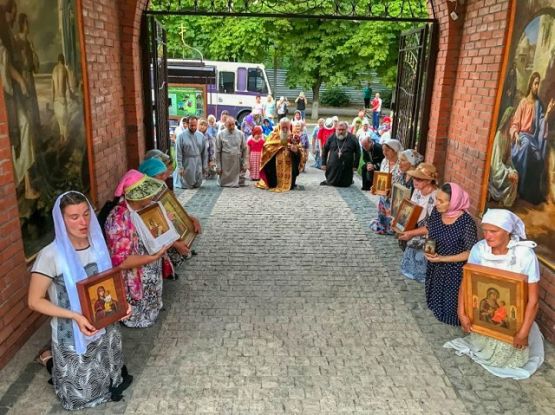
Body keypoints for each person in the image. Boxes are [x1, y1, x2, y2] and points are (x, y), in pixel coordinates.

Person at [28, 191, 133, 410]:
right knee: (80, 395)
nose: (83, 222)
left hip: (105, 324)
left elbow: (109, 283)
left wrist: (122, 305)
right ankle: (48, 360)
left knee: (109, 376)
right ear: (61, 220)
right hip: (73, 330)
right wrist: (75, 315)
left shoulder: (98, 245)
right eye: (74, 217)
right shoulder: (50, 255)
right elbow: (34, 301)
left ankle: (51, 360)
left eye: (86, 214)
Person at [445, 209, 544, 380]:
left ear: (507, 232)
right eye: (485, 230)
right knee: (482, 345)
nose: (487, 236)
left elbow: (533, 300)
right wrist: (462, 313)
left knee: (510, 360)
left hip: (513, 322)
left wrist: (523, 333)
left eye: (493, 231)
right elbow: (466, 284)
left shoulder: (524, 255)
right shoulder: (479, 250)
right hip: (484, 320)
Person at [105, 170, 186, 328]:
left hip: (150, 268)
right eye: (148, 194)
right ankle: (136, 318)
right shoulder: (118, 218)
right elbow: (121, 261)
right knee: (138, 305)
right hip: (135, 273)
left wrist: (165, 223)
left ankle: (153, 310)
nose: (152, 197)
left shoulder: (147, 207)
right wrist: (153, 258)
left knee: (152, 292)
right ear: (137, 196)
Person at [425, 183, 478, 326]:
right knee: (436, 297)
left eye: (441, 201)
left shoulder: (466, 223)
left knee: (450, 301)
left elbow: (470, 253)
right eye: (437, 199)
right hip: (436, 265)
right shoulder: (437, 213)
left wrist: (443, 258)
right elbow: (431, 231)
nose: (437, 203)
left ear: (454, 202)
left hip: (454, 271)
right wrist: (429, 251)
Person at [509, 72, 554, 204]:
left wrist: (548, 113)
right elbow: (515, 122)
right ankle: (521, 190)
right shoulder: (523, 102)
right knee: (526, 147)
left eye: (538, 83)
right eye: (535, 83)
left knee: (539, 158)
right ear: (531, 84)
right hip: (522, 136)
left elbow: (541, 124)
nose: (537, 86)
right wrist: (516, 134)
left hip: (533, 139)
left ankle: (530, 193)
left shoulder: (539, 104)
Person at [398, 163, 439, 282]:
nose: (415, 181)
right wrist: (398, 221)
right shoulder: (417, 190)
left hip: (431, 236)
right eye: (414, 177)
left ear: (428, 181)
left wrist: (411, 233)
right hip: (417, 231)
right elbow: (410, 210)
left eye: (419, 179)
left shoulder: (435, 196)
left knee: (425, 273)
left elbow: (432, 227)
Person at [256, 117, 304, 192]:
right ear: (279, 125)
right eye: (283, 127)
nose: (285, 129)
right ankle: (274, 183)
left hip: (290, 163)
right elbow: (266, 147)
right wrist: (277, 148)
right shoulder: (273, 134)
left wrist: (295, 150)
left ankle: (290, 183)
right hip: (275, 164)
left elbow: (301, 151)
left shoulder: (294, 134)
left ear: (289, 126)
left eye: (286, 127)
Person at [369, 139, 404, 235]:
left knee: (392, 219)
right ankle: (383, 225)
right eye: (383, 150)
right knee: (382, 218)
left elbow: (403, 182)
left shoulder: (401, 163)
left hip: (396, 196)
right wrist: (375, 187)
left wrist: (392, 190)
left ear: (395, 150)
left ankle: (393, 227)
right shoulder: (384, 161)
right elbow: (380, 176)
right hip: (384, 194)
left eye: (387, 150)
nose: (384, 152)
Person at [489, 107, 518, 207]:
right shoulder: (499, 135)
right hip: (497, 170)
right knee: (511, 180)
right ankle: (502, 201)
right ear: (507, 119)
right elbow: (496, 161)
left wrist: (512, 170)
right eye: (512, 118)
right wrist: (507, 173)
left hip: (504, 167)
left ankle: (506, 202)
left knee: (515, 176)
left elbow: (509, 158)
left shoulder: (509, 136)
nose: (513, 120)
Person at [321, 121, 361, 187]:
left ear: (346, 129)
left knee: (345, 184)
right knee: (332, 182)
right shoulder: (331, 137)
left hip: (347, 167)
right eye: (339, 130)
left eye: (343, 130)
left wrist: (355, 166)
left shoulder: (353, 138)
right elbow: (325, 150)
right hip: (333, 167)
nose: (341, 132)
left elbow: (358, 152)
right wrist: (323, 163)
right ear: (336, 129)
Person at [174, 116, 208, 189]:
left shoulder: (201, 136)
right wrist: (180, 167)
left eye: (195, 125)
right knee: (186, 184)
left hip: (198, 162)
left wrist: (204, 166)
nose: (193, 127)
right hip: (187, 162)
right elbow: (178, 153)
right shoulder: (181, 136)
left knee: (197, 183)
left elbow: (204, 153)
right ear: (187, 124)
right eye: (191, 125)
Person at [216, 117, 248, 187]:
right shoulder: (220, 134)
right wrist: (218, 165)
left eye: (233, 124)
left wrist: (245, 162)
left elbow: (244, 149)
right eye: (229, 125)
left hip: (236, 160)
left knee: (238, 179)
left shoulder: (240, 134)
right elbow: (217, 151)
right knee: (223, 180)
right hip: (225, 160)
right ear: (225, 124)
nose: (231, 127)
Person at [52, 53, 73, 145]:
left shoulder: (54, 70)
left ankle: (61, 139)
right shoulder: (64, 69)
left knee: (61, 124)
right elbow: (69, 87)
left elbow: (52, 88)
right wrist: (73, 96)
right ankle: (66, 142)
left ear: (57, 60)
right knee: (65, 123)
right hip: (62, 99)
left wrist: (53, 100)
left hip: (55, 100)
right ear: (63, 60)